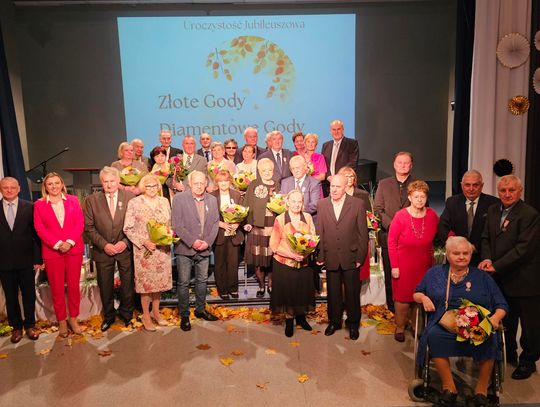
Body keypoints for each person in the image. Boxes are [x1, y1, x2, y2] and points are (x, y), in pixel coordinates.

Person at [414, 236, 508, 407]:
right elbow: (417, 292)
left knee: (491, 337)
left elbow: (501, 304)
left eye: (466, 253)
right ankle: (449, 387)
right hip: (445, 322)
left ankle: (481, 391)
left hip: (477, 324)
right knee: (433, 335)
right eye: (456, 253)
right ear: (447, 254)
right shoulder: (435, 273)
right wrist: (423, 298)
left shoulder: (482, 277)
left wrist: (494, 319)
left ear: (471, 255)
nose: (461, 257)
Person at [479, 175, 540, 380]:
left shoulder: (530, 214)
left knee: (529, 326)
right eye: (503, 190)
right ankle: (509, 354)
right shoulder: (492, 210)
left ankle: (528, 362)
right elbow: (486, 238)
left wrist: (495, 266)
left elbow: (523, 249)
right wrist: (487, 259)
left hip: (525, 280)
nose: (507, 194)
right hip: (500, 279)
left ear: (519, 191)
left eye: (511, 190)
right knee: (507, 320)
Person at [316, 174, 368, 340]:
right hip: (330, 255)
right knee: (333, 292)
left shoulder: (357, 204)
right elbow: (320, 231)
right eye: (332, 186)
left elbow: (362, 233)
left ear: (346, 187)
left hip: (351, 256)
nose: (334, 189)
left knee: (352, 293)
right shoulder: (322, 204)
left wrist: (360, 256)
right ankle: (334, 322)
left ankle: (353, 324)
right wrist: (321, 254)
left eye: (338, 186)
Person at [83, 166, 135, 331]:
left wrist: (125, 242)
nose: (109, 184)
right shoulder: (91, 200)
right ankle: (109, 316)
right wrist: (105, 245)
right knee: (105, 286)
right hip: (102, 250)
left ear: (118, 181)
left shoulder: (130, 197)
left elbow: (136, 223)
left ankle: (127, 314)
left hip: (125, 249)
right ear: (101, 183)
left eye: (112, 181)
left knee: (127, 284)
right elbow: (89, 227)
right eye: (105, 181)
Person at [34, 172, 84, 337]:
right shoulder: (39, 204)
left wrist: (69, 242)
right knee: (56, 288)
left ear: (62, 184)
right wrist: (56, 244)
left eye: (57, 183)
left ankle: (73, 319)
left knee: (74, 287)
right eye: (50, 184)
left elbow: (79, 223)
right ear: (45, 187)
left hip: (73, 249)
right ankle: (62, 320)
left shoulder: (73, 200)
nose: (54, 186)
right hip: (52, 252)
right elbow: (39, 228)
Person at [388, 180, 438, 342]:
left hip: (424, 265)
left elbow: (443, 232)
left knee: (419, 298)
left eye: (423, 196)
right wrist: (394, 266)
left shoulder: (431, 215)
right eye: (416, 196)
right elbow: (391, 242)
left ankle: (417, 327)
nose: (419, 200)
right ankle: (400, 327)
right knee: (402, 299)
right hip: (403, 265)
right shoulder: (400, 216)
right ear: (409, 197)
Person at [172, 171, 220, 331]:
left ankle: (200, 310)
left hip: (204, 247)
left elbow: (215, 223)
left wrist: (207, 242)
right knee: (183, 282)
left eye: (202, 183)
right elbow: (176, 224)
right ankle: (185, 315)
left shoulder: (212, 200)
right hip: (185, 248)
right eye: (196, 183)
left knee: (202, 281)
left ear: (206, 184)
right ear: (190, 184)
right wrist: (192, 241)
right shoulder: (179, 199)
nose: (199, 186)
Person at [123, 174, 172, 331]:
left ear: (158, 186)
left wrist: (168, 236)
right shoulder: (134, 202)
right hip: (144, 250)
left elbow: (169, 224)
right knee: (146, 285)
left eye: (154, 185)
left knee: (159, 284)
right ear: (143, 187)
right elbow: (127, 228)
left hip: (161, 249)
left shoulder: (164, 201)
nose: (151, 188)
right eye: (148, 186)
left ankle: (155, 313)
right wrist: (144, 241)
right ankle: (145, 315)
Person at [0, 177, 42, 343]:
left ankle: (30, 325)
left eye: (12, 187)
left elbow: (36, 235)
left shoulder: (30, 207)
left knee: (28, 295)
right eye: (5, 187)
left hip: (26, 260)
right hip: (3, 261)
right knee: (10, 297)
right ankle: (16, 327)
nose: (9, 190)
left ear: (19, 189)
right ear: (1, 189)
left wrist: (38, 258)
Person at [269, 190, 316, 337]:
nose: (296, 204)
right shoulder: (280, 219)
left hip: (303, 261)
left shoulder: (307, 217)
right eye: (293, 201)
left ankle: (301, 318)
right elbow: (273, 245)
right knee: (289, 293)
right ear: (288, 202)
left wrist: (304, 254)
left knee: (301, 291)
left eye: (299, 201)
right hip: (284, 262)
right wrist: (292, 255)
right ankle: (289, 321)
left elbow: (313, 239)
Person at [373, 151, 415, 312]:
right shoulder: (384, 184)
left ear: (411, 165)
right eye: (400, 162)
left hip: (411, 237)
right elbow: (378, 209)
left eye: (406, 163)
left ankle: (410, 307)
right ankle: (392, 308)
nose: (403, 165)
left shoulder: (418, 184)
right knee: (391, 274)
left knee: (409, 274)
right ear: (394, 165)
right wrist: (392, 225)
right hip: (388, 235)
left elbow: (424, 208)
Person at [438, 170, 499, 266]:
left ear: (482, 186)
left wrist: (475, 248)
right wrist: (455, 246)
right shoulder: (452, 202)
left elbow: (494, 232)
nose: (471, 189)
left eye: (475, 185)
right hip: (456, 257)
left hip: (482, 259)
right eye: (467, 185)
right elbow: (443, 227)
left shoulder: (493, 203)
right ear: (462, 185)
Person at [243, 158, 279, 297]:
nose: (267, 172)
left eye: (270, 170)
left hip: (273, 227)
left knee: (272, 260)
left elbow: (281, 203)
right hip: (257, 227)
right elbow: (247, 204)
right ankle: (261, 286)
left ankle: (271, 285)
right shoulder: (254, 184)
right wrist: (247, 222)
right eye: (264, 170)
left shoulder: (277, 184)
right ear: (259, 171)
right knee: (259, 261)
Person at [211, 171, 244, 300]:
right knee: (220, 264)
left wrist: (237, 223)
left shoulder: (236, 195)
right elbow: (208, 216)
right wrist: (221, 224)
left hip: (234, 234)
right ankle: (222, 289)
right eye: (221, 181)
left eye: (226, 181)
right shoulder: (211, 196)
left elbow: (243, 212)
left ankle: (233, 288)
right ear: (217, 183)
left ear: (230, 181)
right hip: (219, 233)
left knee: (233, 263)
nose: (223, 183)